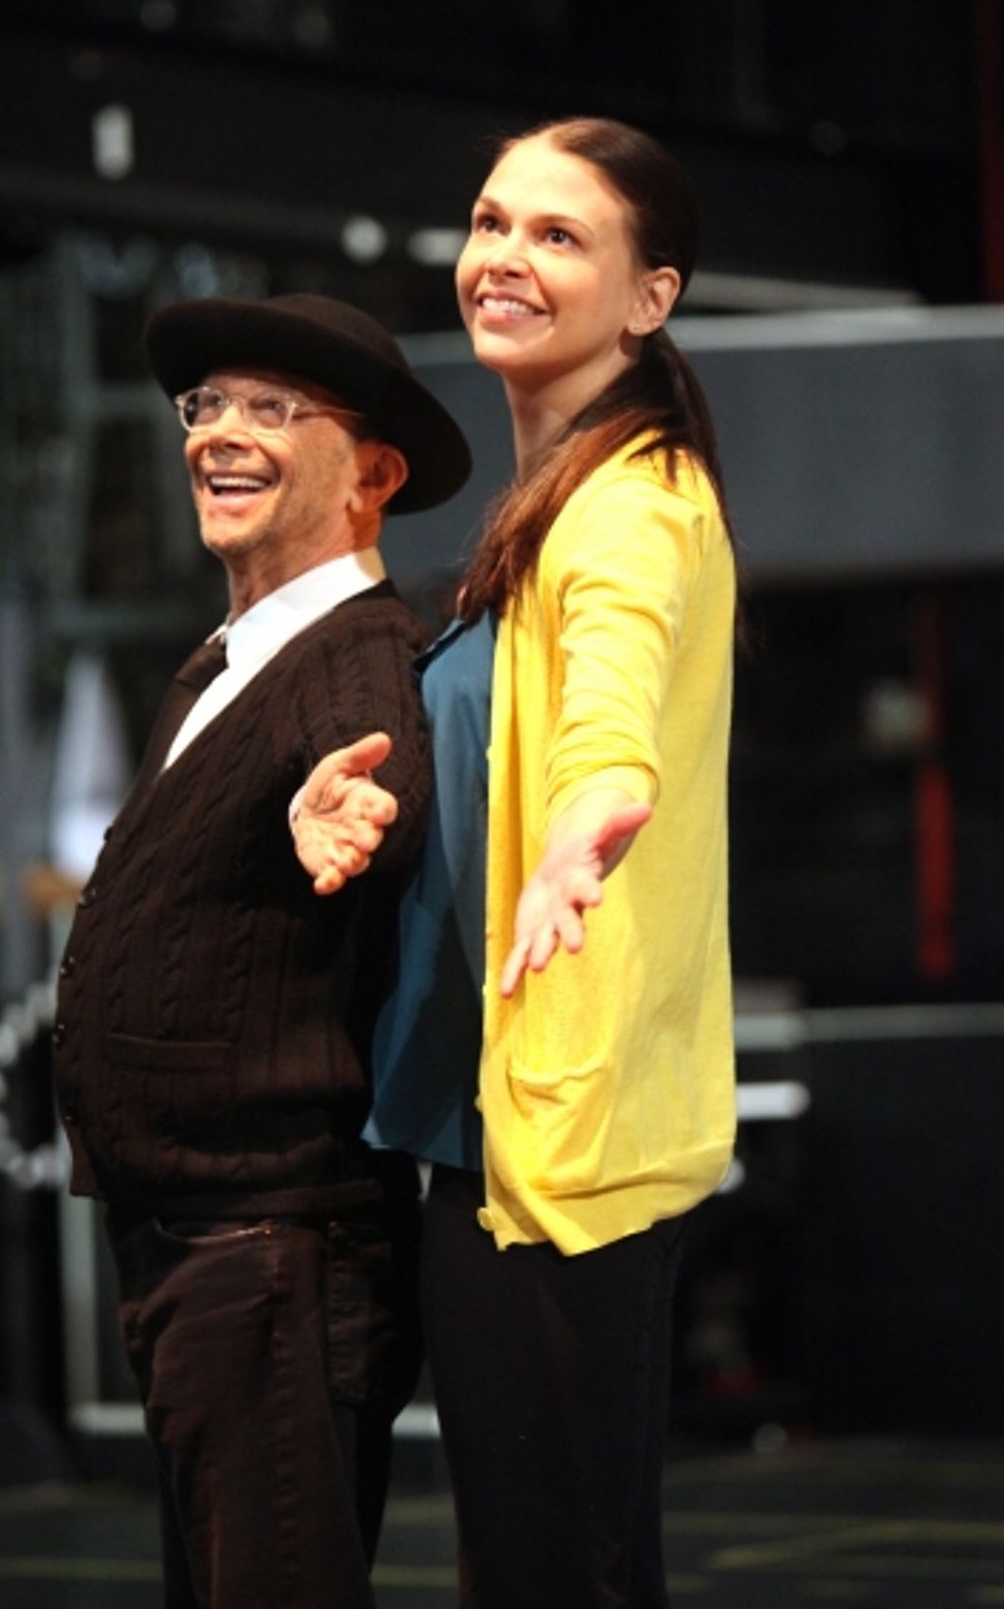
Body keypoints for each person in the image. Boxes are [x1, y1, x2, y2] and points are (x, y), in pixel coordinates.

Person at [295, 118, 738, 1608]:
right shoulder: (546, 509)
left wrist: (595, 811)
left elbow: (615, 695)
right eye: (493, 221)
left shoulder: (630, 507)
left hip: (561, 1154)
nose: (506, 256)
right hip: (481, 1134)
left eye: (560, 236)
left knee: (560, 1573)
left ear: (650, 297)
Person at [51, 292, 471, 1609]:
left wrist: (347, 809)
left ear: (374, 477)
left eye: (273, 408)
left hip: (273, 1250)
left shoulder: (354, 648)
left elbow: (372, 761)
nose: (220, 432)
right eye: (208, 404)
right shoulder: (230, 660)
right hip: (205, 1246)